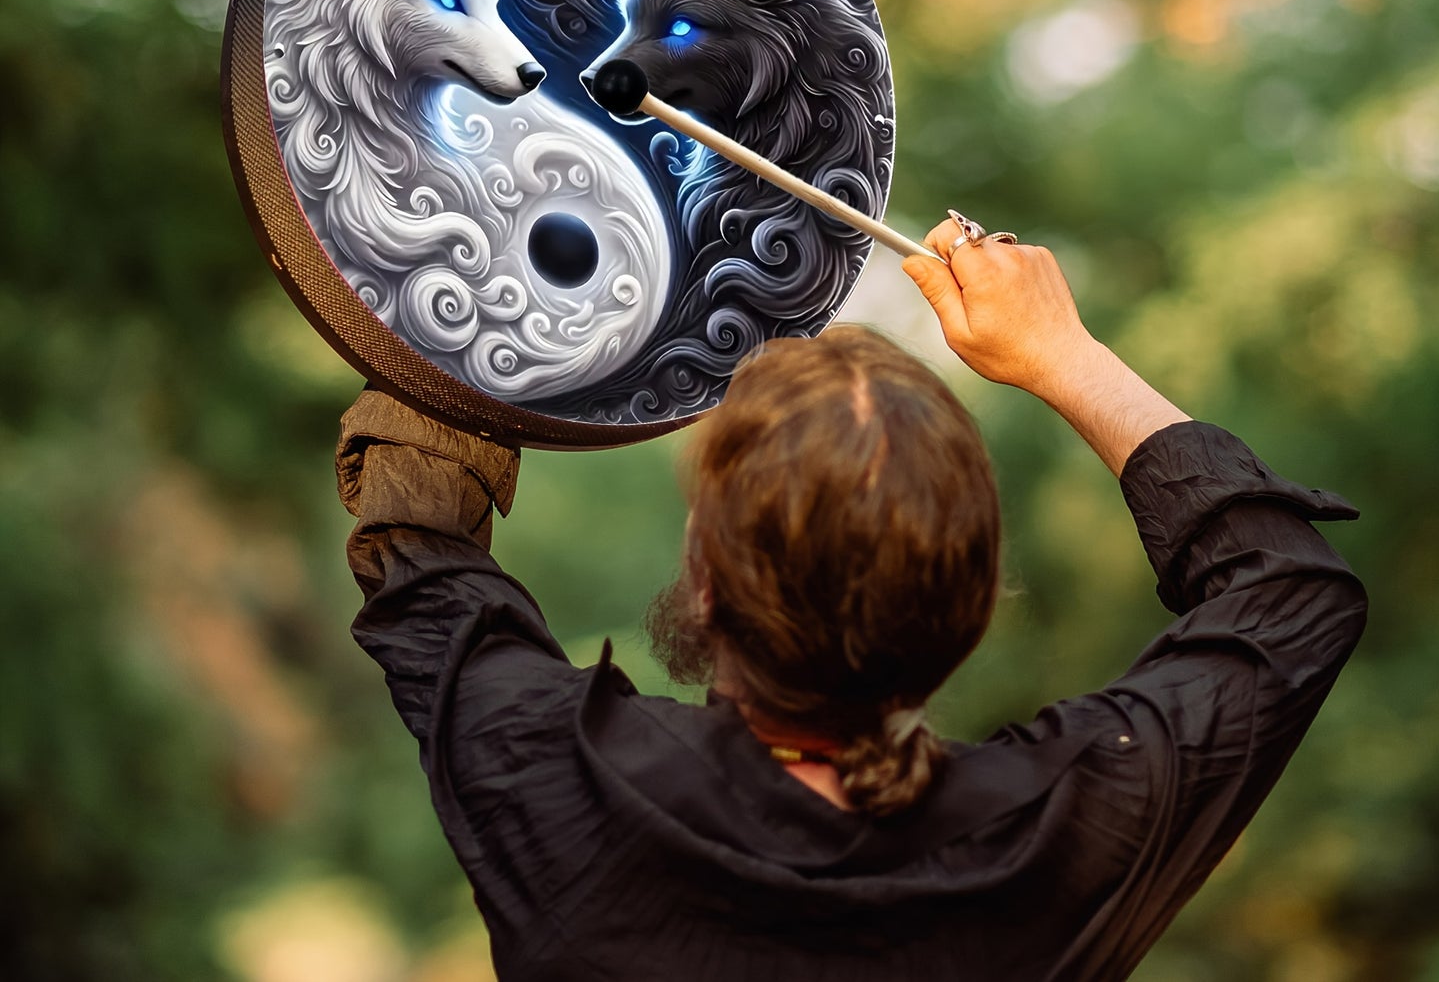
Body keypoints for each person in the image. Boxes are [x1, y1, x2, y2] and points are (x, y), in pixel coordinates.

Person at [336, 219, 1366, 981]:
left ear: (703, 581)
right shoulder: (1066, 837)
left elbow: (416, 523)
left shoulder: (540, 770)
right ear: (965, 608)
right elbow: (1287, 591)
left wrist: (487, 254)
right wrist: (1064, 355)